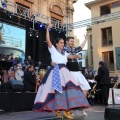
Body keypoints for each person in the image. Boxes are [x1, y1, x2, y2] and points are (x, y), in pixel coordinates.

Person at [33, 24, 90, 119]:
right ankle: (58, 110)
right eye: (61, 43)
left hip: (65, 72)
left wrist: (77, 56)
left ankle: (67, 110)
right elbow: (48, 40)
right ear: (56, 44)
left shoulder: (65, 53)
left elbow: (71, 56)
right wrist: (47, 30)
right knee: (57, 91)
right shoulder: (53, 50)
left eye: (63, 43)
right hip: (55, 72)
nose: (62, 44)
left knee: (69, 90)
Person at [63, 36, 91, 115]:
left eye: (73, 41)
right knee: (71, 91)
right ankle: (70, 110)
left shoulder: (73, 49)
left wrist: (86, 39)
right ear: (67, 41)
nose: (72, 42)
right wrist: (77, 56)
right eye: (71, 41)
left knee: (86, 87)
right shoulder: (64, 49)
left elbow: (81, 47)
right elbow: (69, 56)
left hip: (77, 71)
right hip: (70, 71)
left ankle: (80, 105)